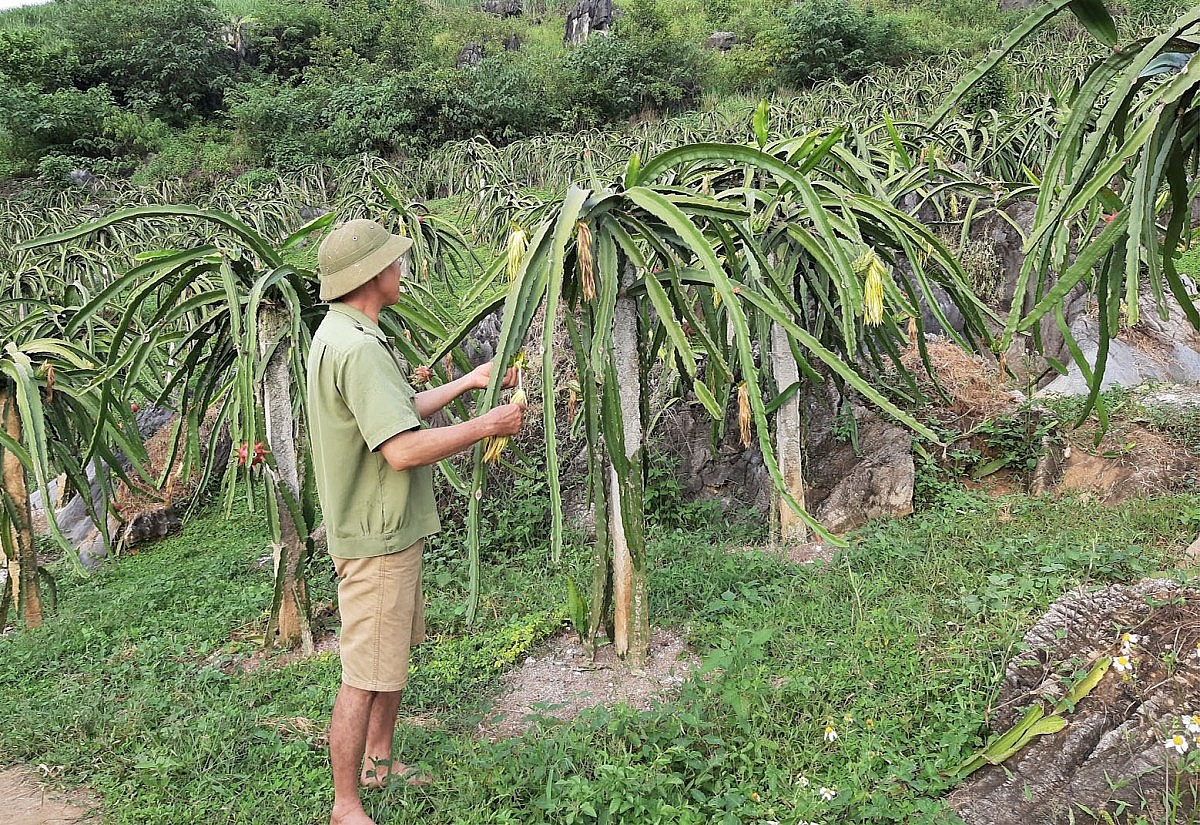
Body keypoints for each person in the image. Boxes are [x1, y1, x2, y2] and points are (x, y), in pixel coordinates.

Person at [306, 218, 525, 825]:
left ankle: (378, 760)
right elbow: (400, 448)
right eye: (394, 263)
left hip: (385, 528)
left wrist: (470, 383)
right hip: (376, 536)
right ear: (372, 276)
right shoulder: (357, 348)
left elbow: (397, 411)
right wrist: (487, 426)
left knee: (389, 657)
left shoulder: (345, 335)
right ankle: (345, 805)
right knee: (363, 672)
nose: (402, 270)